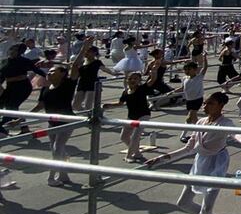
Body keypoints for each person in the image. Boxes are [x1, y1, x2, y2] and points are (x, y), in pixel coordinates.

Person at [148, 92, 241, 214]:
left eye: (210, 103)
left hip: (217, 163)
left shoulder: (225, 123)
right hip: (200, 162)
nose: (205, 106)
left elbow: (236, 134)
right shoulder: (201, 122)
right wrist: (162, 158)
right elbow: (188, 148)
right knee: (183, 203)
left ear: (221, 106)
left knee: (207, 205)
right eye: (205, 103)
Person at [30, 38, 89, 186]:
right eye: (48, 72)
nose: (49, 73)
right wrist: (21, 119)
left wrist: (85, 47)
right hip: (52, 122)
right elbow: (40, 105)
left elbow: (75, 65)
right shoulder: (45, 88)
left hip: (66, 121)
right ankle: (64, 175)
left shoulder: (68, 85)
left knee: (57, 148)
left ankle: (52, 176)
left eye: (53, 71)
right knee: (56, 149)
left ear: (63, 74)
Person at [103, 70, 159, 163]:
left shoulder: (141, 89)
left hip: (143, 115)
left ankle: (129, 156)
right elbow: (120, 103)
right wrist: (108, 105)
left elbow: (152, 80)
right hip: (131, 116)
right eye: (130, 78)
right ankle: (136, 152)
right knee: (124, 137)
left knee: (135, 136)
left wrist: (154, 70)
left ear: (139, 80)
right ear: (126, 80)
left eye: (135, 78)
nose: (132, 80)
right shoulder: (125, 92)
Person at [0, 43, 46, 135]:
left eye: (15, 50)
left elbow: (36, 70)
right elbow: (2, 76)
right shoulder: (4, 61)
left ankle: (2, 127)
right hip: (10, 87)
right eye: (11, 49)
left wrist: (47, 77)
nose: (12, 51)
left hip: (22, 87)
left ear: (19, 52)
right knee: (7, 106)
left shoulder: (24, 61)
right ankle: (24, 128)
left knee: (12, 107)